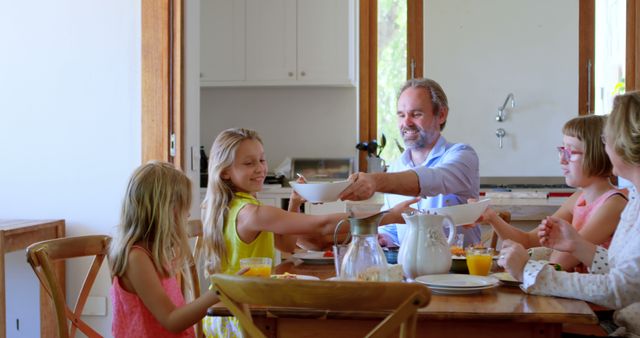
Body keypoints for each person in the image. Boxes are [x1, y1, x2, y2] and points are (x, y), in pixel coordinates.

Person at [201, 128, 416, 337]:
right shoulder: (252, 213)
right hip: (239, 317)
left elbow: (286, 246)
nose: (260, 168)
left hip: (227, 310)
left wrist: (294, 203)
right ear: (225, 172)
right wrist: (389, 216)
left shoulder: (235, 205)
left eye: (262, 160)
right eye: (249, 163)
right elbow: (322, 225)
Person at [499, 91, 640, 337]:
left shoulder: (621, 200)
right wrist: (578, 245)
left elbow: (618, 289)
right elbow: (625, 274)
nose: (605, 145)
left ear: (626, 142)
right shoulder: (635, 199)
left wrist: (530, 272)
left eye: (608, 137)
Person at [340, 78, 481, 247]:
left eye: (416, 114)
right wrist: (385, 239)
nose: (406, 122)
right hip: (410, 271)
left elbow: (432, 179)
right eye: (401, 115)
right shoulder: (396, 167)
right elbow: (393, 229)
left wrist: (375, 181)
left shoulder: (463, 156)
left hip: (458, 270)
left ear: (441, 115)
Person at [479, 115, 627, 272]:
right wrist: (491, 217)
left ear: (598, 154)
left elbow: (559, 262)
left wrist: (553, 244)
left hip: (592, 293)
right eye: (562, 150)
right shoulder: (578, 198)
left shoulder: (613, 204)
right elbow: (527, 240)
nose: (562, 160)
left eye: (571, 152)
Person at [109, 161, 224, 337]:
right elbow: (171, 320)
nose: (188, 214)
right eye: (184, 207)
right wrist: (219, 291)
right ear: (164, 210)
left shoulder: (155, 252)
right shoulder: (136, 258)